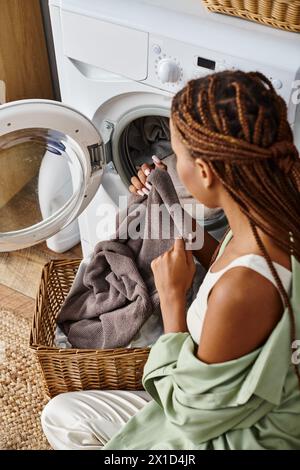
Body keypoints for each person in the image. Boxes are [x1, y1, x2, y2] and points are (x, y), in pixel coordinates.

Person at [41, 70, 300, 450]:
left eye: (178, 154)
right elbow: (234, 259)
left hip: (240, 434)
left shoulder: (241, 291)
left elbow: (189, 416)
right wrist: (181, 226)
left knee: (62, 417)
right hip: (253, 393)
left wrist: (174, 299)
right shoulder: (274, 214)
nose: (171, 162)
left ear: (206, 173)